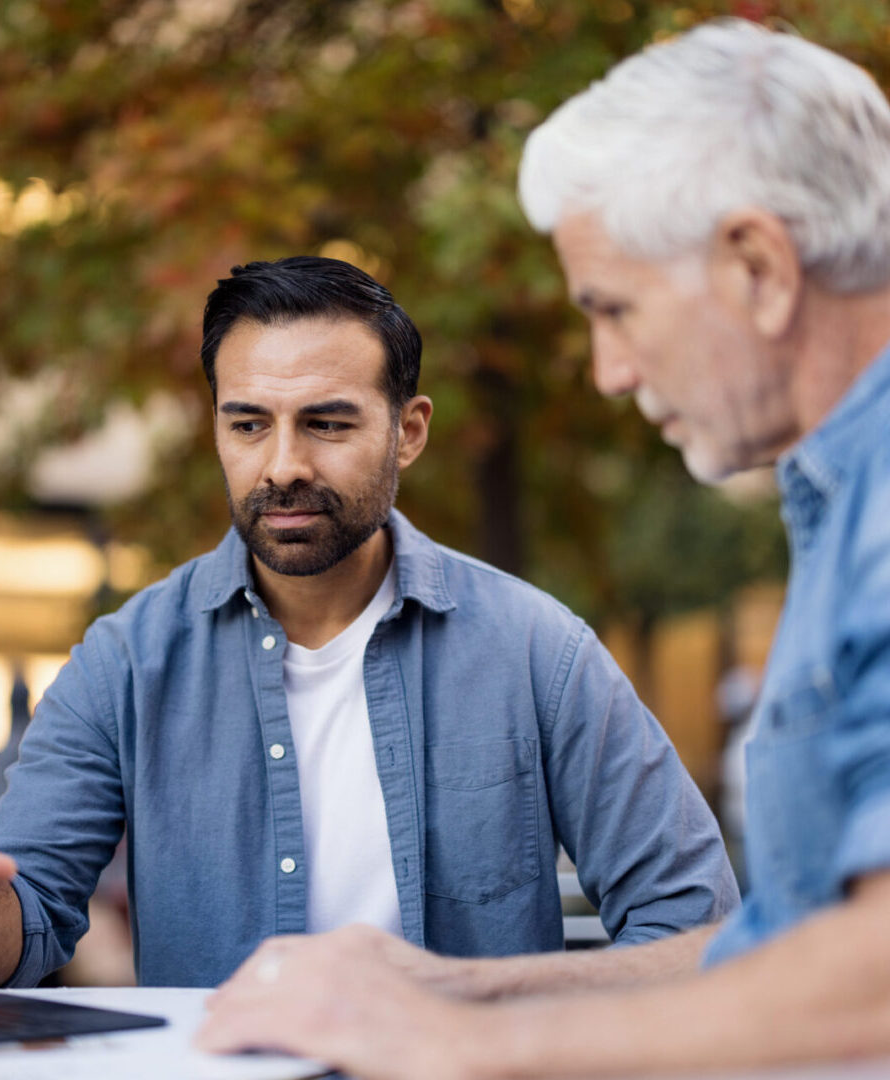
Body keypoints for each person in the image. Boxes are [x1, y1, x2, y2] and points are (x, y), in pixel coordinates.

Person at [197, 20, 890, 1077]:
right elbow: (780, 950)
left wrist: (465, 1042)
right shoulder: (844, 504)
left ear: (757, 266)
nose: (607, 370)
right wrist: (454, 984)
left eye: (615, 310)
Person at [0, 256, 736, 992]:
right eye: (249, 424)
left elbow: (694, 920)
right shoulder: (125, 664)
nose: (283, 465)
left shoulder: (537, 652)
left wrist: (503, 1016)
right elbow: (13, 936)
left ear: (409, 432)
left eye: (326, 423)